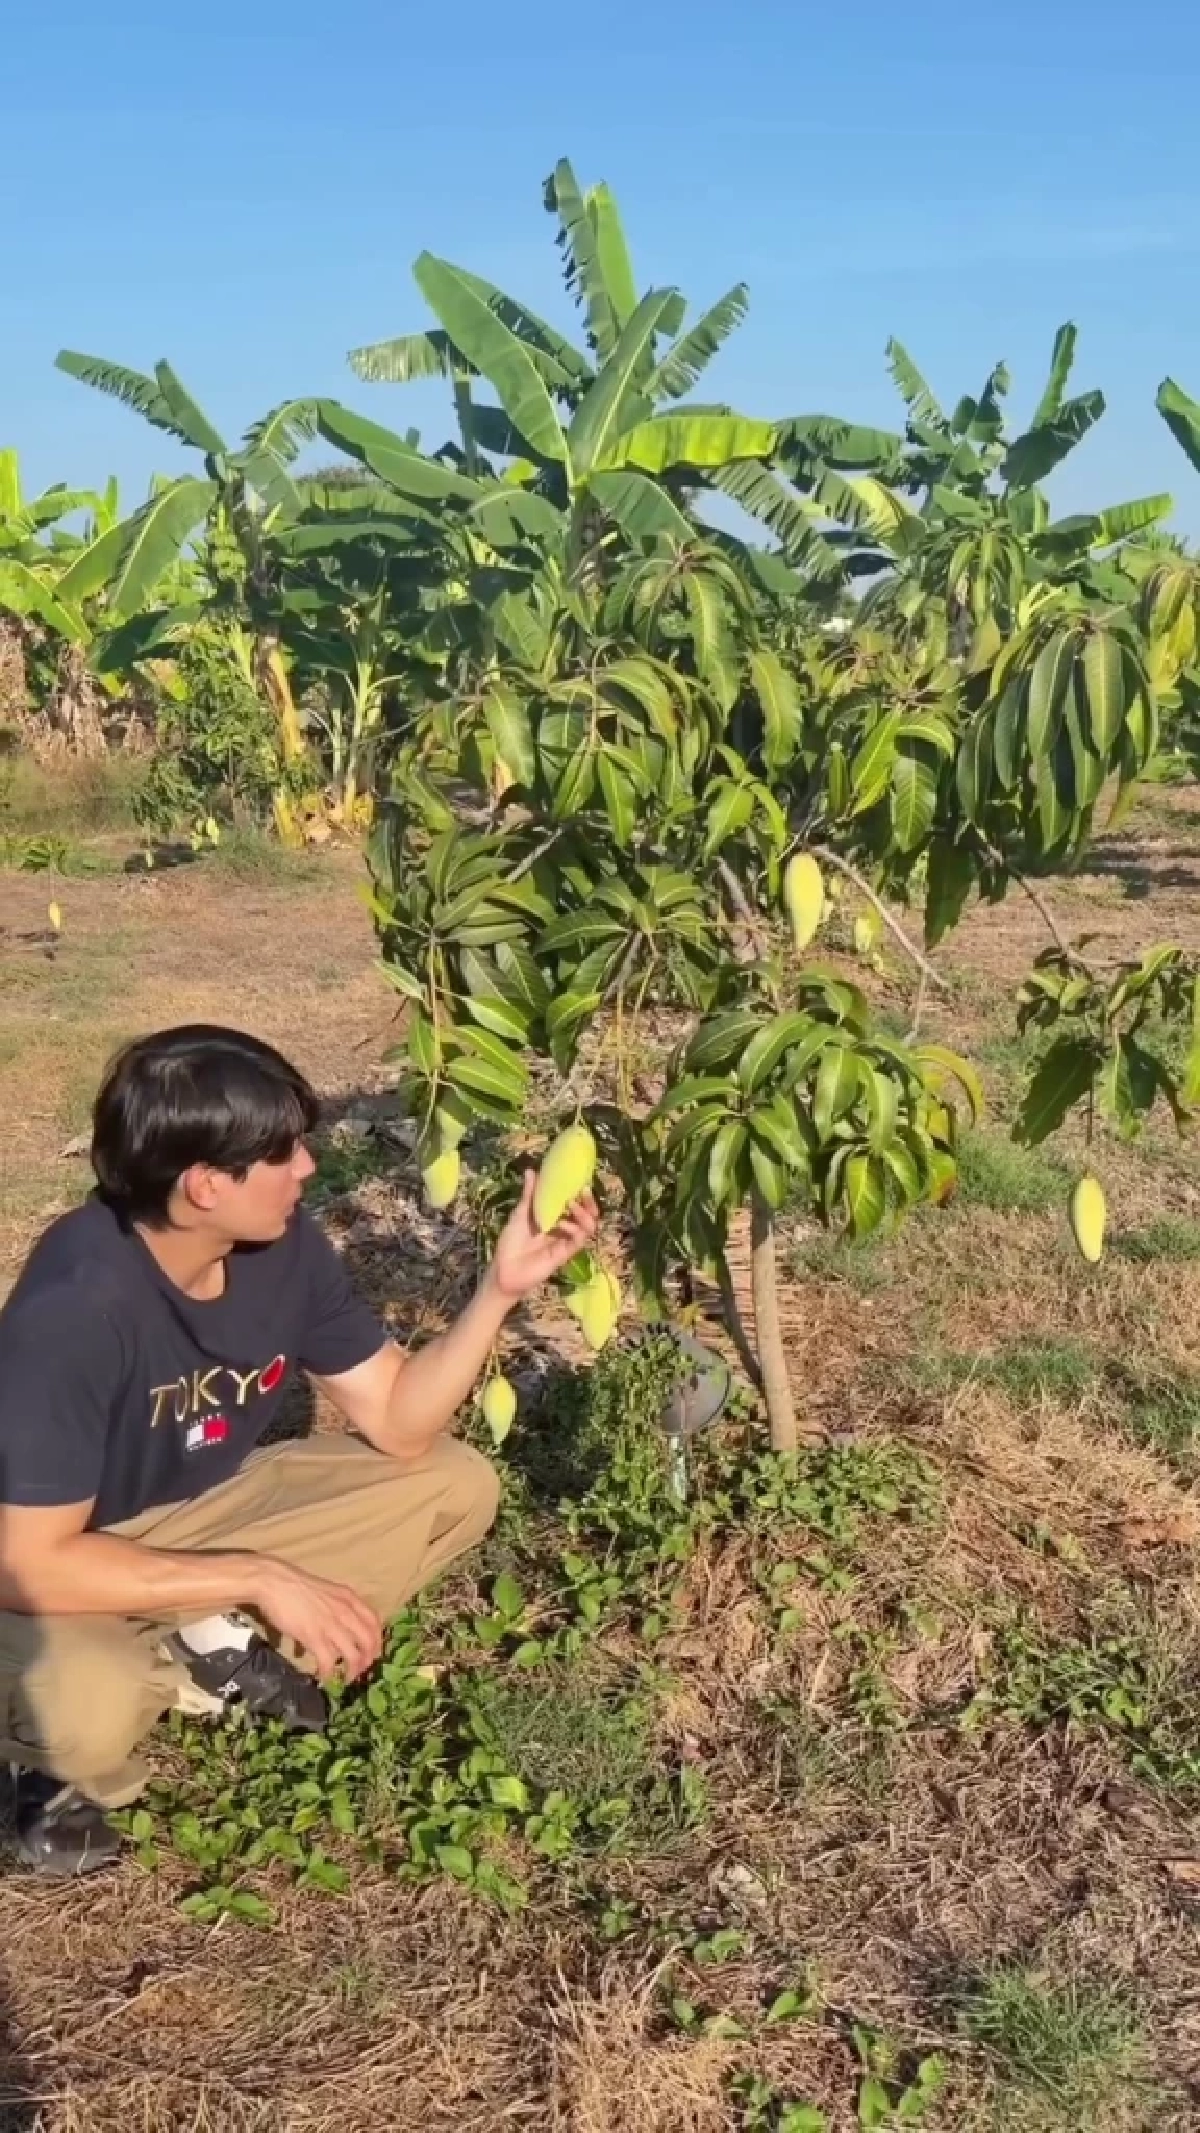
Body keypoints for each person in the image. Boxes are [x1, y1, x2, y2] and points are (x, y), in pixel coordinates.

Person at [0, 1025, 597, 1876]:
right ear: (206, 1184)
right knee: (85, 1708)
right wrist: (258, 1575)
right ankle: (54, 1749)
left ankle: (197, 1640)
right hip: (55, 1561)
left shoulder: (283, 1249)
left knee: (453, 1484)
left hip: (198, 1513)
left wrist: (498, 1291)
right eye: (283, 1152)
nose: (309, 1166)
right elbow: (29, 1561)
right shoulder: (74, 1311)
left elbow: (399, 1421)